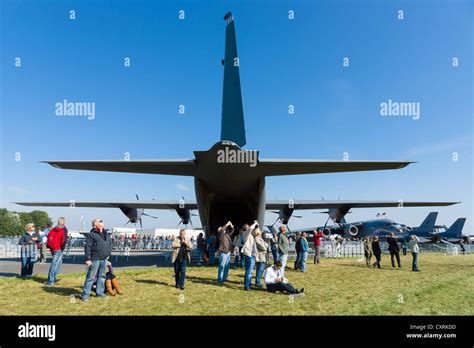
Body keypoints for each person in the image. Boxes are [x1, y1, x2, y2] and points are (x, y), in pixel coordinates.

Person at [81, 218, 112, 302]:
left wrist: (109, 256)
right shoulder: (92, 234)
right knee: (90, 277)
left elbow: (109, 245)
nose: (102, 222)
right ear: (95, 224)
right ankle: (85, 295)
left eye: (102, 221)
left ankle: (100, 292)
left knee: (102, 277)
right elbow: (87, 247)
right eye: (100, 221)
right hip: (95, 258)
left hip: (104, 258)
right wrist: (87, 259)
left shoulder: (106, 233)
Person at [46, 217, 67, 286]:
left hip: (52, 248)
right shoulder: (63, 229)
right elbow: (63, 241)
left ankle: (53, 278)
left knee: (57, 263)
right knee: (55, 264)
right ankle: (50, 280)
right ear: (63, 223)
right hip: (58, 248)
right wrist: (62, 248)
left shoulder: (52, 229)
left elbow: (48, 238)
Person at [241, 221, 258, 290]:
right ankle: (247, 286)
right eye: (247, 227)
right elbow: (251, 228)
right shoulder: (245, 233)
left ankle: (248, 284)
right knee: (248, 270)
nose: (249, 228)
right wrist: (255, 223)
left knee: (250, 271)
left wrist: (256, 225)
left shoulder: (250, 234)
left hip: (252, 254)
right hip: (249, 254)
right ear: (246, 228)